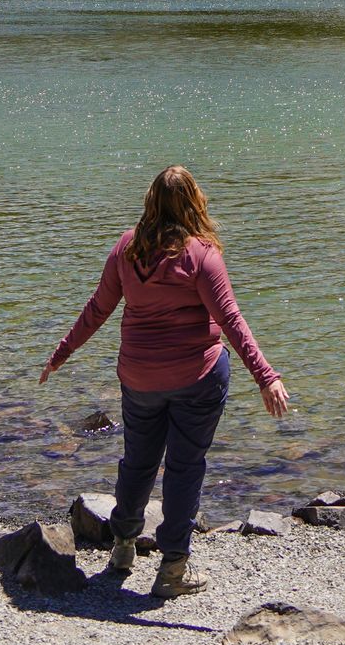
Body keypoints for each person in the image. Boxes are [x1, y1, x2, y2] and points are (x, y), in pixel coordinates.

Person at [39, 164, 289, 598]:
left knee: (138, 461)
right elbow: (230, 320)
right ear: (195, 202)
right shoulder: (201, 255)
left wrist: (62, 353)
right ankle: (173, 568)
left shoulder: (126, 250)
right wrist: (265, 376)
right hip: (197, 379)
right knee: (184, 467)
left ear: (150, 202)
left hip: (138, 377)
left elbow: (97, 309)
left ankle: (122, 546)